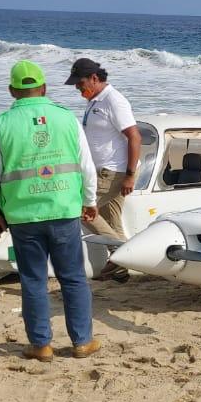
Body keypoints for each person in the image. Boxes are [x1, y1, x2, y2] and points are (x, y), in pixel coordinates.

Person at [0, 60, 101, 362]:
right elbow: (86, 165)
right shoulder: (66, 118)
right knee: (72, 277)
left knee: (33, 280)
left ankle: (41, 344)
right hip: (64, 209)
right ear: (45, 88)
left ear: (11, 91)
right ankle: (82, 342)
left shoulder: (2, 123)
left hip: (23, 215)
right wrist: (90, 200)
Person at [64, 58, 140, 283]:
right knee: (112, 222)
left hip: (111, 172)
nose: (77, 87)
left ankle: (119, 257)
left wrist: (130, 175)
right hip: (102, 170)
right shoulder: (95, 100)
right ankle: (124, 267)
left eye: (80, 83)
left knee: (82, 210)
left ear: (94, 78)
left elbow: (134, 137)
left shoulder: (114, 100)